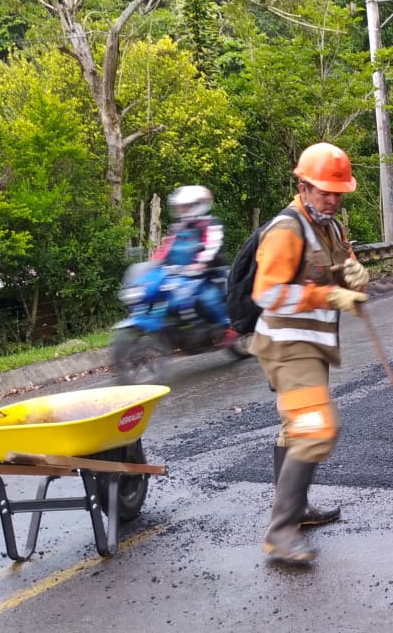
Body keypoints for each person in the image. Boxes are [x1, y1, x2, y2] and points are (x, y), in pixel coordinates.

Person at [250, 142, 369, 563]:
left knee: (298, 428)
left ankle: (296, 510)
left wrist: (356, 275)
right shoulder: (287, 229)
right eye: (324, 191)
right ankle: (280, 534)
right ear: (303, 186)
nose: (333, 199)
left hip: (313, 345)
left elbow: (345, 271)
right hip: (286, 347)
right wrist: (327, 296)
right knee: (317, 430)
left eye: (339, 192)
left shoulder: (331, 227)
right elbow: (266, 294)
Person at [152, 185, 237, 346]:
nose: (182, 210)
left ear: (197, 205)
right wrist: (153, 264)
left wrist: (201, 263)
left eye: (185, 206)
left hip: (211, 274)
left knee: (208, 298)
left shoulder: (211, 224)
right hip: (183, 276)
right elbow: (166, 248)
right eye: (180, 207)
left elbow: (213, 245)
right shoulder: (177, 228)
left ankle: (228, 329)